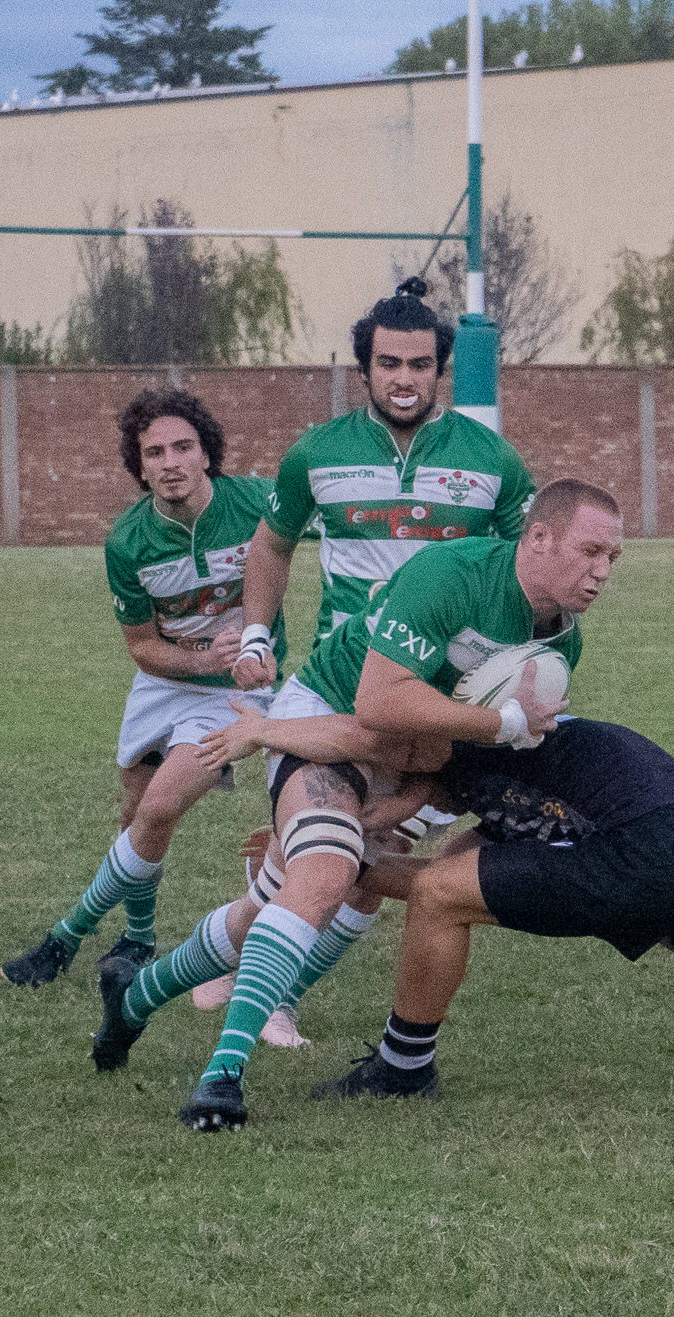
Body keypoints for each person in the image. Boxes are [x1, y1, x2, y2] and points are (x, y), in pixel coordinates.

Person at [95, 478, 617, 1132]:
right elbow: (375, 705)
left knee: (309, 897)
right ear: (538, 537)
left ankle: (137, 995)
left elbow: (476, 754)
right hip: (327, 716)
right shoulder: (451, 574)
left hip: (415, 758)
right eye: (589, 550)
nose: (601, 572)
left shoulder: (560, 646)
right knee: (324, 875)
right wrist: (503, 722)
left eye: (612, 559)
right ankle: (221, 1079)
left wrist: (415, 800)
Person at [200, 277, 538, 1039]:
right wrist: (256, 634)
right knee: (346, 854)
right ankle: (268, 981)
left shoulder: (494, 462)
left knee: (367, 860)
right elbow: (272, 546)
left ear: (441, 368)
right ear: (365, 368)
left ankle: (255, 946)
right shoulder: (318, 452)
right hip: (342, 686)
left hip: (437, 700)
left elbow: (526, 569)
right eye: (389, 363)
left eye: (420, 364)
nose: (405, 378)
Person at [302, 717, 674, 1101]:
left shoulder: (462, 751)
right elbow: (467, 858)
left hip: (648, 849)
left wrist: (326, 852)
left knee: (437, 897)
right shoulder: (521, 762)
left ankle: (403, 1069)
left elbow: (433, 877)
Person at [0, 388, 286, 991]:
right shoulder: (128, 541)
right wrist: (204, 657)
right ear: (140, 465)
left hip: (237, 694)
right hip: (166, 681)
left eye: (184, 447)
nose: (171, 462)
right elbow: (142, 646)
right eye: (154, 452)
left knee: (159, 806)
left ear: (208, 453)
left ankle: (64, 938)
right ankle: (136, 938)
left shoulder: (258, 504)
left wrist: (253, 651)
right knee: (135, 816)